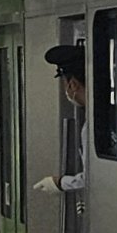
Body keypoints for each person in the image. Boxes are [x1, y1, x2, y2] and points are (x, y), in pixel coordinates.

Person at [34, 43, 87, 196]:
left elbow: (93, 179)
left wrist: (59, 183)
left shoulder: (90, 128)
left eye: (65, 83)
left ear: (73, 84)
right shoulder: (112, 115)